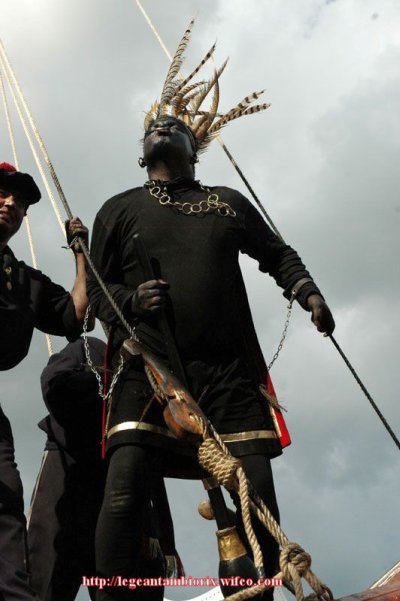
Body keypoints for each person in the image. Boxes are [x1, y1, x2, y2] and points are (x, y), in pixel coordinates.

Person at [87, 22, 335, 601]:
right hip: (148, 372)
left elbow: (277, 253)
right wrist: (130, 300)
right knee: (122, 494)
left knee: (256, 501)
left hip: (230, 377)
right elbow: (97, 293)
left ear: (194, 147)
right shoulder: (117, 210)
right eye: (153, 125)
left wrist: (309, 292)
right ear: (141, 150)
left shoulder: (225, 203)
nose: (162, 127)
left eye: (173, 125)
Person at [27, 336, 178, 601]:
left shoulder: (156, 371)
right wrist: (112, 383)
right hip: (68, 478)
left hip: (127, 481)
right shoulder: (89, 348)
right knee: (44, 582)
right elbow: (54, 386)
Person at [0, 162, 90, 601]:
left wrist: (82, 253)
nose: (10, 204)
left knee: (5, 496)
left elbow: (76, 315)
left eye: (18, 201)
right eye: (2, 194)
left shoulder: (23, 280)